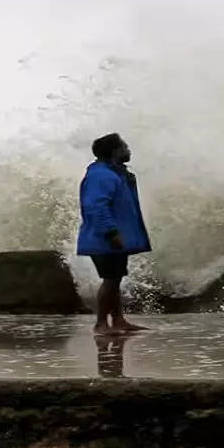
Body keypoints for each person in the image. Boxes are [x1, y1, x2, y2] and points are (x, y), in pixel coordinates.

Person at [77, 133, 152, 335]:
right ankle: (101, 324)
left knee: (115, 278)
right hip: (105, 238)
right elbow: (97, 206)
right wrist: (111, 232)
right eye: (125, 147)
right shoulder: (102, 175)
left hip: (112, 237)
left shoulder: (114, 173)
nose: (128, 150)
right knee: (110, 279)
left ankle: (118, 320)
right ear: (115, 151)